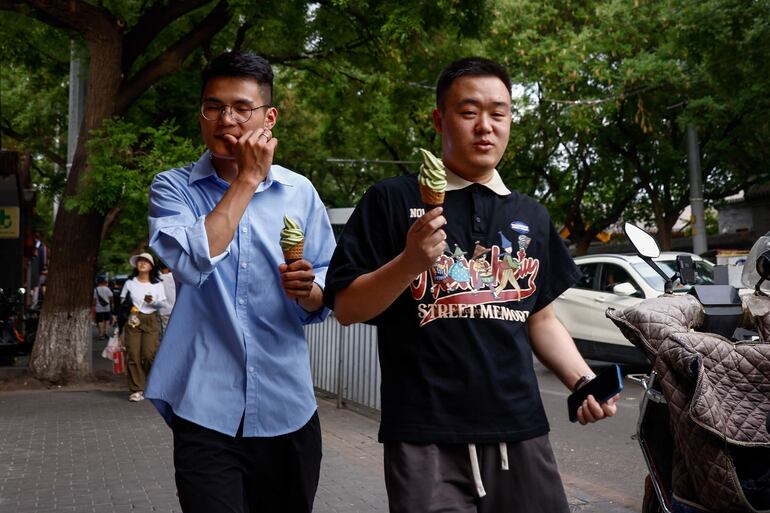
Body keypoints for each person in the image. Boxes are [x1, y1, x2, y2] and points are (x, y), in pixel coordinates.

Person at [323, 57, 619, 513]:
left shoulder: (531, 215)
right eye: (468, 112)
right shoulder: (392, 199)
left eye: (498, 113)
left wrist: (583, 380)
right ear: (440, 119)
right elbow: (346, 307)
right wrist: (409, 262)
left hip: (520, 428)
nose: (485, 126)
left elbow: (539, 318)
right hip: (424, 435)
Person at [145, 51, 336, 513]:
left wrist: (309, 290)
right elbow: (193, 261)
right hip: (206, 411)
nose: (225, 119)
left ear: (269, 118)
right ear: (201, 114)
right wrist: (248, 178)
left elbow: (328, 287)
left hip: (288, 408)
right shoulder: (172, 189)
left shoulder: (300, 192)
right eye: (213, 107)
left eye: (241, 108)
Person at [120, 252, 167, 403]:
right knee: (133, 354)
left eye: (146, 261)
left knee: (148, 355)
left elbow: (163, 304)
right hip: (134, 318)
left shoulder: (158, 284)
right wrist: (119, 324)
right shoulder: (130, 283)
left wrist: (153, 301)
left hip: (151, 319)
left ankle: (151, 385)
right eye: (140, 261)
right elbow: (122, 303)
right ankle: (136, 389)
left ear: (151, 266)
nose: (142, 263)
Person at [157, 261, 176, 333]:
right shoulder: (174, 277)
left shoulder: (158, 278)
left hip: (163, 310)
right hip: (175, 308)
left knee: (166, 332)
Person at [92, 275, 114, 339]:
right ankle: (106, 333)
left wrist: (93, 307)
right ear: (104, 282)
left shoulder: (95, 289)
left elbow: (94, 300)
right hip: (107, 307)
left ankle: (101, 335)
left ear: (98, 282)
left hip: (99, 307)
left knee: (100, 320)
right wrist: (112, 305)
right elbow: (111, 298)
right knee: (107, 320)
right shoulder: (107, 289)